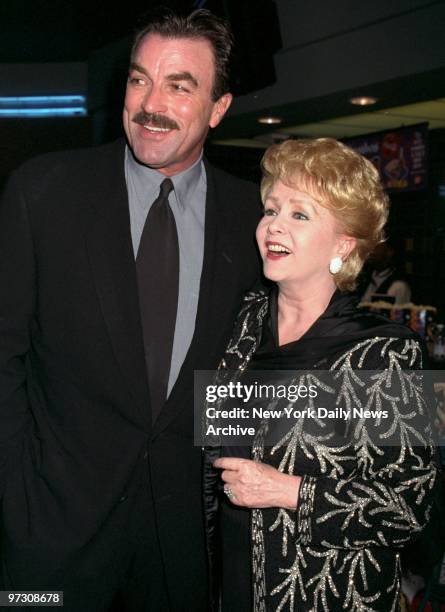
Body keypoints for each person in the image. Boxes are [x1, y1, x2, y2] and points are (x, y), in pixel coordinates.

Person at [0, 9, 261, 611]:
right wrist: (17, 496)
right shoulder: (43, 192)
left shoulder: (254, 219)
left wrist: (408, 407)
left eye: (179, 85)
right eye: (140, 79)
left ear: (219, 108)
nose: (150, 103)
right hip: (49, 536)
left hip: (188, 550)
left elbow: (257, 372)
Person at [205, 138, 437, 611]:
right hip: (228, 581)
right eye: (271, 209)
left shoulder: (384, 352)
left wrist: (289, 491)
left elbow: (410, 508)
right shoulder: (241, 325)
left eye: (300, 214)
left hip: (329, 591)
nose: (274, 226)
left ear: (344, 243)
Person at [361, 238, 412, 304]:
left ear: (389, 252)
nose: (371, 250)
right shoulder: (364, 278)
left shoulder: (399, 286)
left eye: (377, 246)